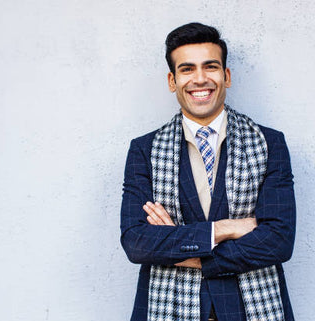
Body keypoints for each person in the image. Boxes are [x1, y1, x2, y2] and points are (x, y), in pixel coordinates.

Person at [120, 22, 296, 321]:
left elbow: (278, 240)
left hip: (249, 308)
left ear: (226, 76)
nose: (200, 79)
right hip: (168, 307)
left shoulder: (269, 143)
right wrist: (224, 229)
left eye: (210, 67)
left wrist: (180, 246)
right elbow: (137, 242)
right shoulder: (144, 150)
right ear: (172, 81)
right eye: (187, 69)